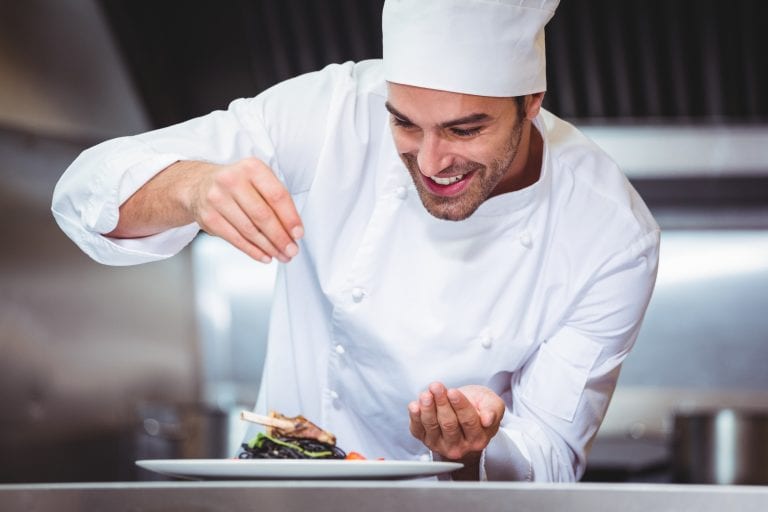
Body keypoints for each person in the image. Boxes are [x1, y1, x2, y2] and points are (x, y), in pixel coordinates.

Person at [51, 0, 660, 481]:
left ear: (531, 103)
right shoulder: (333, 111)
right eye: (404, 123)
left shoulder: (609, 234)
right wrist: (191, 187)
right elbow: (82, 193)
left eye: (464, 129)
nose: (431, 162)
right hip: (283, 496)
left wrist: (475, 449)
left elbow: (552, 458)